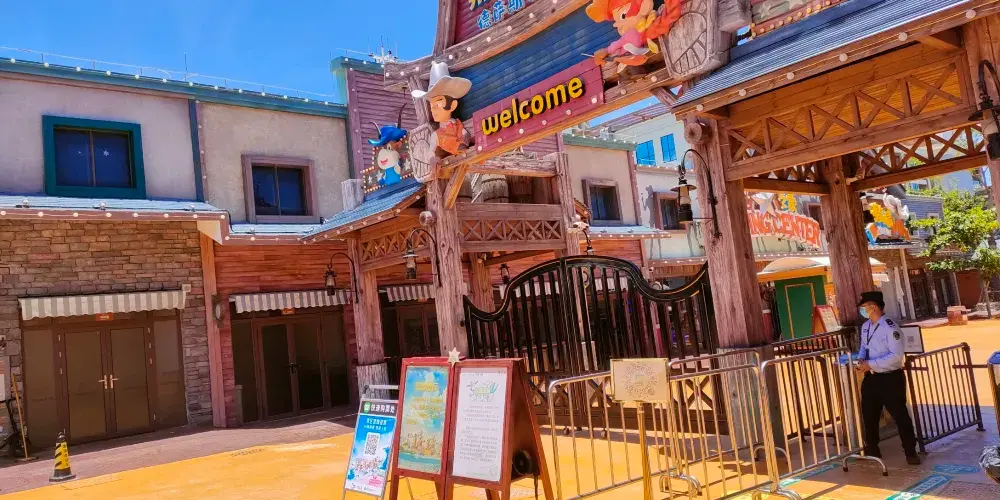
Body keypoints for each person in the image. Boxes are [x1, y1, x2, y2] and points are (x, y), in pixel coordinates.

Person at [856, 290, 920, 465]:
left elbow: (896, 357)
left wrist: (871, 364)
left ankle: (910, 451)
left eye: (864, 307)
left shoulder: (891, 328)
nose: (862, 310)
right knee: (869, 414)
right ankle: (872, 449)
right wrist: (861, 359)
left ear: (873, 307)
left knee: (900, 415)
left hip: (891, 378)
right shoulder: (866, 326)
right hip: (871, 378)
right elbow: (864, 347)